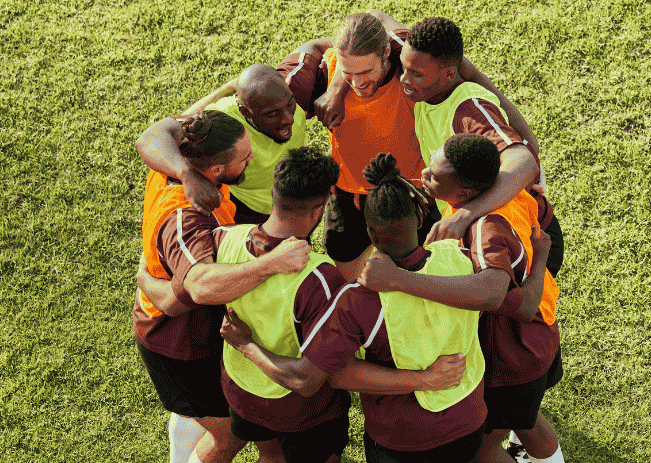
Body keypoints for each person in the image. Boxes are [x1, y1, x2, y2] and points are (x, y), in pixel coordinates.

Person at [223, 152, 541, 463]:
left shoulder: (357, 301)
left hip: (397, 433)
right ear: (420, 215)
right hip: (465, 414)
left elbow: (329, 375)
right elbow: (501, 293)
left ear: (370, 237)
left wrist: (246, 345)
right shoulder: (460, 261)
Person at [361, 134, 582, 463]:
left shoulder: (484, 229)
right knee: (528, 419)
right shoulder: (508, 200)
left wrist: (399, 280)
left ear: (464, 191)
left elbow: (495, 295)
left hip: (511, 353)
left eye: (434, 174)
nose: (424, 173)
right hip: (540, 338)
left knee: (481, 448)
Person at [134, 110, 319, 463]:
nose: (251, 163)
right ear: (216, 169)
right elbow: (197, 286)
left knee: (193, 412)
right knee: (230, 431)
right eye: (243, 159)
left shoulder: (177, 159)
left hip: (181, 326)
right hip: (176, 339)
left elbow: (154, 131)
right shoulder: (185, 217)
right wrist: (272, 263)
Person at [280, 10, 541, 282]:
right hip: (349, 197)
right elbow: (328, 46)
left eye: (366, 72)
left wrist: (528, 140)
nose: (357, 84)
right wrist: (337, 86)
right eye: (349, 74)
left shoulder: (412, 68)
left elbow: (453, 63)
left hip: (413, 197)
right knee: (348, 281)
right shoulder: (333, 72)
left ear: (384, 53)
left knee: (422, 273)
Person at [397, 16, 563, 277]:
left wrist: (464, 216)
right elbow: (377, 17)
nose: (404, 79)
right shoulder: (427, 80)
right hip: (481, 230)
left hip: (521, 236)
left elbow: (525, 161)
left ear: (450, 73)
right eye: (403, 68)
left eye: (416, 74)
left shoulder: (469, 110)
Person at [134, 65, 308, 224]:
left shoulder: (288, 87)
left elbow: (322, 46)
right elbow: (150, 139)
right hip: (246, 210)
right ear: (245, 112)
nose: (288, 118)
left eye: (290, 104)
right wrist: (188, 176)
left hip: (292, 202)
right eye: (272, 114)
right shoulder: (222, 121)